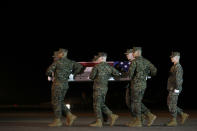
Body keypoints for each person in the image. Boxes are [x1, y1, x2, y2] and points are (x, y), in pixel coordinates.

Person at [46, 48, 83, 127]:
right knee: (59, 101)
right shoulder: (71, 62)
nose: (57, 55)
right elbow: (80, 67)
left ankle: (58, 121)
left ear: (61, 54)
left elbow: (48, 71)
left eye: (58, 53)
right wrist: (73, 73)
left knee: (55, 102)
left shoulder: (57, 62)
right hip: (65, 84)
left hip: (57, 84)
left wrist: (51, 76)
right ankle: (70, 115)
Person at [127, 47, 157, 127]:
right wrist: (147, 75)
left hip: (136, 85)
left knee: (135, 103)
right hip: (143, 84)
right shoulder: (146, 61)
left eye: (133, 52)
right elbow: (154, 70)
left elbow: (130, 74)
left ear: (136, 52)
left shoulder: (135, 62)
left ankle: (139, 121)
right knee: (138, 102)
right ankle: (148, 116)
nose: (132, 54)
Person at [89, 52, 121, 127]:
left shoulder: (97, 67)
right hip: (105, 88)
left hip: (97, 87)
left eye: (98, 58)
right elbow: (118, 75)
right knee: (101, 104)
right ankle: (111, 116)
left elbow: (91, 77)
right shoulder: (110, 67)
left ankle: (99, 121)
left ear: (100, 58)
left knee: (96, 104)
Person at [166, 52, 189, 126]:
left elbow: (178, 79)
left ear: (177, 57)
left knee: (172, 104)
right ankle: (182, 114)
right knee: (170, 103)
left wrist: (177, 89)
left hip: (175, 88)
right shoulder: (174, 66)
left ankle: (174, 120)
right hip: (172, 88)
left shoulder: (178, 67)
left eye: (172, 57)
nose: (171, 58)